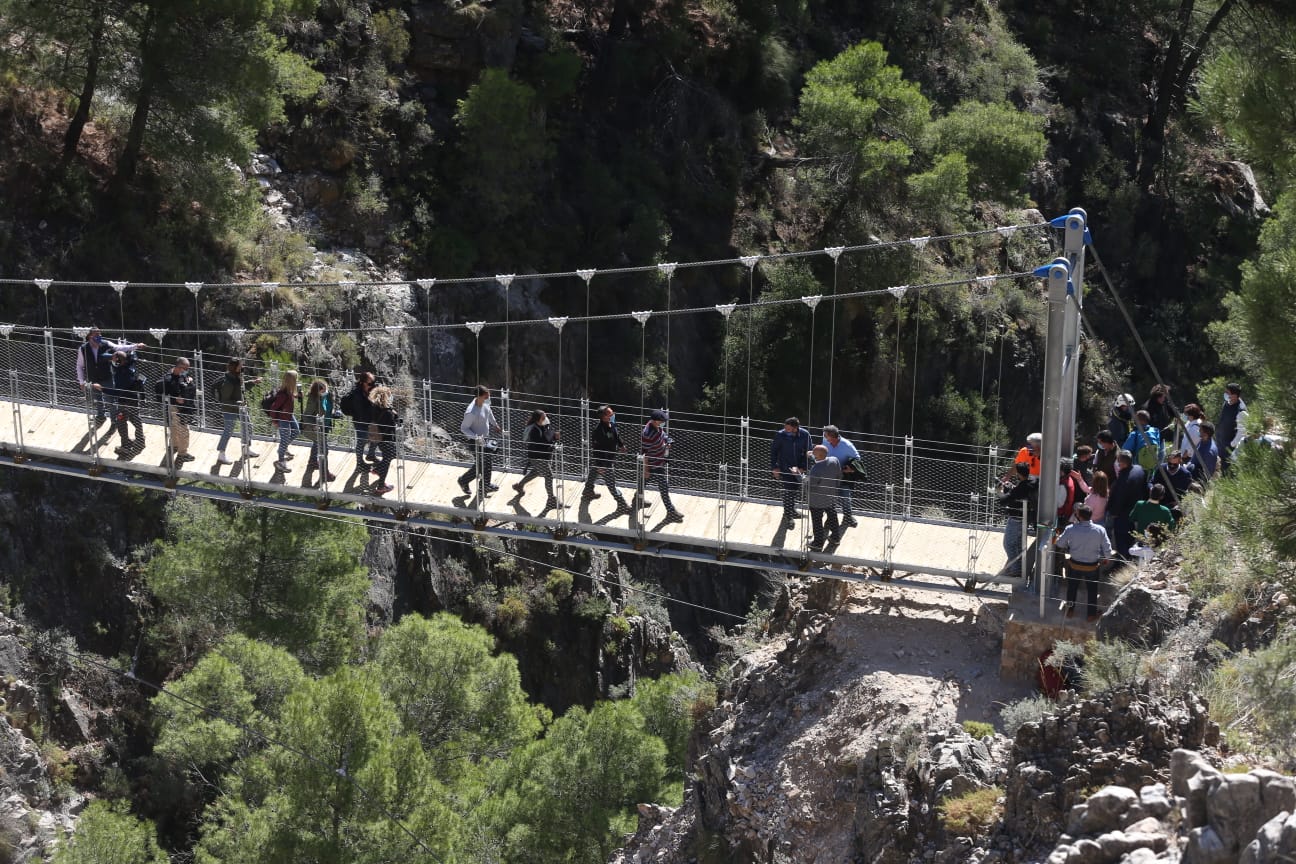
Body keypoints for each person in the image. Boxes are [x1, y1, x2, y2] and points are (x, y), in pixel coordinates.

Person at [76, 327, 144, 431]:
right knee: (97, 399)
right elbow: (79, 366)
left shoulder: (105, 343)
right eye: (96, 335)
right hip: (92, 378)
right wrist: (81, 381)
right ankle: (100, 416)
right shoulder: (83, 349)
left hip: (106, 376)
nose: (99, 336)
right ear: (90, 336)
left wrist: (135, 346)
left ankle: (114, 421)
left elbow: (119, 348)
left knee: (111, 400)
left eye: (100, 334)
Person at [1054, 503, 1111, 623]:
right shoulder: (1100, 530)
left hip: (1074, 564)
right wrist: (1107, 558)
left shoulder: (1071, 529)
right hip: (1092, 566)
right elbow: (1107, 548)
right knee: (1092, 590)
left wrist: (1057, 536)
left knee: (1072, 588)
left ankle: (1070, 610)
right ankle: (1091, 614)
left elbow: (1059, 544)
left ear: (1079, 516)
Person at [636, 409, 683, 522]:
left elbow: (663, 434)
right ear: (656, 421)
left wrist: (668, 441)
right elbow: (645, 453)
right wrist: (646, 469)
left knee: (643, 482)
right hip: (653, 464)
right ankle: (671, 512)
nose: (664, 423)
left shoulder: (656, 426)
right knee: (663, 487)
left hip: (659, 461)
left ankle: (638, 499)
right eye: (662, 421)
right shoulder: (647, 434)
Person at [214, 359, 263, 464]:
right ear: (235, 367)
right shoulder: (228, 382)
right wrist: (239, 403)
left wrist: (253, 382)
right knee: (228, 431)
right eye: (240, 365)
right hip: (230, 409)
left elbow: (241, 386)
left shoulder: (238, 376)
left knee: (248, 427)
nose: (243, 367)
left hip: (241, 408)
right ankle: (221, 454)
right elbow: (225, 401)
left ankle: (246, 449)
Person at [458, 385, 501, 495]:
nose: (488, 398)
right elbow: (464, 428)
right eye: (486, 396)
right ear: (478, 396)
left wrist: (495, 424)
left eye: (488, 396)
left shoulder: (485, 402)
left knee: (486, 462)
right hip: (475, 441)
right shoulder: (471, 412)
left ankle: (484, 486)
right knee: (482, 464)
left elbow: (489, 412)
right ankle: (465, 481)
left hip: (485, 439)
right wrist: (476, 437)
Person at [771, 417, 812, 530]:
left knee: (795, 489)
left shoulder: (805, 435)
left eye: (788, 429)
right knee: (788, 490)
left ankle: (792, 510)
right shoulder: (780, 435)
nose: (785, 430)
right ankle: (788, 515)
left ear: (795, 428)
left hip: (799, 468)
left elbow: (809, 452)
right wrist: (775, 467)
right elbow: (774, 451)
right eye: (785, 427)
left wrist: (803, 467)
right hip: (785, 467)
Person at [582, 405, 628, 508]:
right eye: (610, 414)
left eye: (612, 413)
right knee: (611, 483)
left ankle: (587, 490)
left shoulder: (611, 424)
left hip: (608, 458)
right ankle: (622, 504)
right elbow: (597, 450)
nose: (613, 415)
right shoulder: (598, 431)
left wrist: (621, 445)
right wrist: (600, 465)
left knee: (594, 472)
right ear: (604, 417)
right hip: (604, 461)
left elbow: (616, 435)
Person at [998, 461, 1038, 573]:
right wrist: (1012, 488)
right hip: (1027, 517)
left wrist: (1000, 491)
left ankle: (1016, 570)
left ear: (1018, 474)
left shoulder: (1021, 488)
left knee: (1008, 544)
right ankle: (1020, 567)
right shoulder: (1033, 480)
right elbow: (1018, 493)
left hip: (1016, 519)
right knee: (1019, 545)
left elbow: (1003, 501)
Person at [514, 409, 559, 508]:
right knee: (549, 476)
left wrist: (554, 438)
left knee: (537, 471)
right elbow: (540, 445)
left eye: (546, 416)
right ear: (538, 420)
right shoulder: (534, 430)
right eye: (543, 418)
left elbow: (547, 438)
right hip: (537, 457)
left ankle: (519, 485)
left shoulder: (543, 426)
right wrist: (552, 445)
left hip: (542, 456)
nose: (546, 419)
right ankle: (551, 500)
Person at [1108, 450, 1148, 558]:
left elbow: (1119, 499)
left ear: (1123, 463)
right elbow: (1145, 489)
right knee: (1130, 536)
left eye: (1118, 461)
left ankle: (1122, 562)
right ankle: (1129, 556)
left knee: (1121, 539)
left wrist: (1114, 513)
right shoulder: (1139, 469)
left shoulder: (1124, 479)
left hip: (1123, 514)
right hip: (1136, 511)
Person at [106, 350, 145, 457]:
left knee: (121, 422)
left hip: (124, 401)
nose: (112, 361)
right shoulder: (130, 365)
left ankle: (126, 446)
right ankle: (141, 440)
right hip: (134, 400)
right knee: (135, 418)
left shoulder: (122, 374)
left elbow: (118, 390)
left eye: (114, 359)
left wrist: (102, 389)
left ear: (119, 361)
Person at [822, 425, 862, 528]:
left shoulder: (847, 445)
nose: (824, 437)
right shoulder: (825, 442)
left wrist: (851, 469)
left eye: (826, 435)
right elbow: (822, 454)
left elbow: (857, 459)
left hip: (843, 475)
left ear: (832, 436)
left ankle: (848, 517)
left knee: (845, 497)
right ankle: (830, 519)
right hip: (829, 474)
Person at [301, 379, 338, 485]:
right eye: (323, 391)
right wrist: (314, 425)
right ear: (317, 392)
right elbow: (307, 416)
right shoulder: (313, 400)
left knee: (317, 444)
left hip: (325, 426)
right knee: (324, 451)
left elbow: (328, 408)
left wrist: (334, 414)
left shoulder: (328, 395)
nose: (325, 392)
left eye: (326, 389)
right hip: (318, 428)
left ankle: (313, 461)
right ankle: (324, 474)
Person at [805, 444, 842, 550]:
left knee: (817, 521)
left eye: (814, 453)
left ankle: (817, 543)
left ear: (818, 456)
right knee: (832, 516)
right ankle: (835, 537)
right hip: (831, 496)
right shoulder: (834, 460)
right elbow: (839, 475)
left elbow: (809, 485)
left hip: (817, 500)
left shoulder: (816, 469)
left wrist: (799, 476)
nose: (812, 453)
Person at [340, 372, 378, 471]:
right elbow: (361, 412)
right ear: (362, 383)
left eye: (373, 383)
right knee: (362, 442)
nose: (372, 386)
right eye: (370, 384)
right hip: (361, 422)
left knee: (377, 437)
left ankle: (370, 455)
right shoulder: (357, 395)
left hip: (369, 421)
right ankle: (359, 464)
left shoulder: (368, 391)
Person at [162, 357, 197, 465]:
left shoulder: (182, 375)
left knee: (174, 427)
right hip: (175, 407)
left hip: (183, 407)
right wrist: (175, 398)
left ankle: (174, 446)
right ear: (178, 366)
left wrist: (189, 379)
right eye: (185, 368)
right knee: (183, 430)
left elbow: (184, 382)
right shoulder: (168, 379)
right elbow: (163, 394)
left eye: (188, 369)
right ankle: (183, 454)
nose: (186, 371)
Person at [267, 370, 301, 473]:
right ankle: (281, 461)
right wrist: (275, 421)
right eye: (296, 379)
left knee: (296, 431)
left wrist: (296, 396)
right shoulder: (283, 394)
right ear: (292, 381)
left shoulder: (288, 391)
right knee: (284, 440)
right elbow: (273, 408)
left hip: (289, 416)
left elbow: (289, 398)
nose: (297, 381)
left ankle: (283, 448)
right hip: (283, 419)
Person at [369, 385, 399, 496]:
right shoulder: (387, 412)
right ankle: (381, 486)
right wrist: (395, 417)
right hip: (387, 439)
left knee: (389, 457)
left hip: (378, 438)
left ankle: (377, 469)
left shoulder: (373, 408)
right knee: (388, 459)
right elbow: (393, 425)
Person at [1215, 383, 1249, 472]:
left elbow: (1242, 432)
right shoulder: (1226, 403)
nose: (1225, 394)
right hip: (1221, 444)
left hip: (1229, 448)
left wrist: (1231, 444)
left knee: (1228, 471)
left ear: (1234, 395)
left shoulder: (1241, 411)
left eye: (1227, 392)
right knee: (1221, 469)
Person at [1056, 458, 1088, 524]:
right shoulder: (1068, 479)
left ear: (1062, 471)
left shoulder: (1063, 485)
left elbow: (1059, 504)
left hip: (1061, 517)